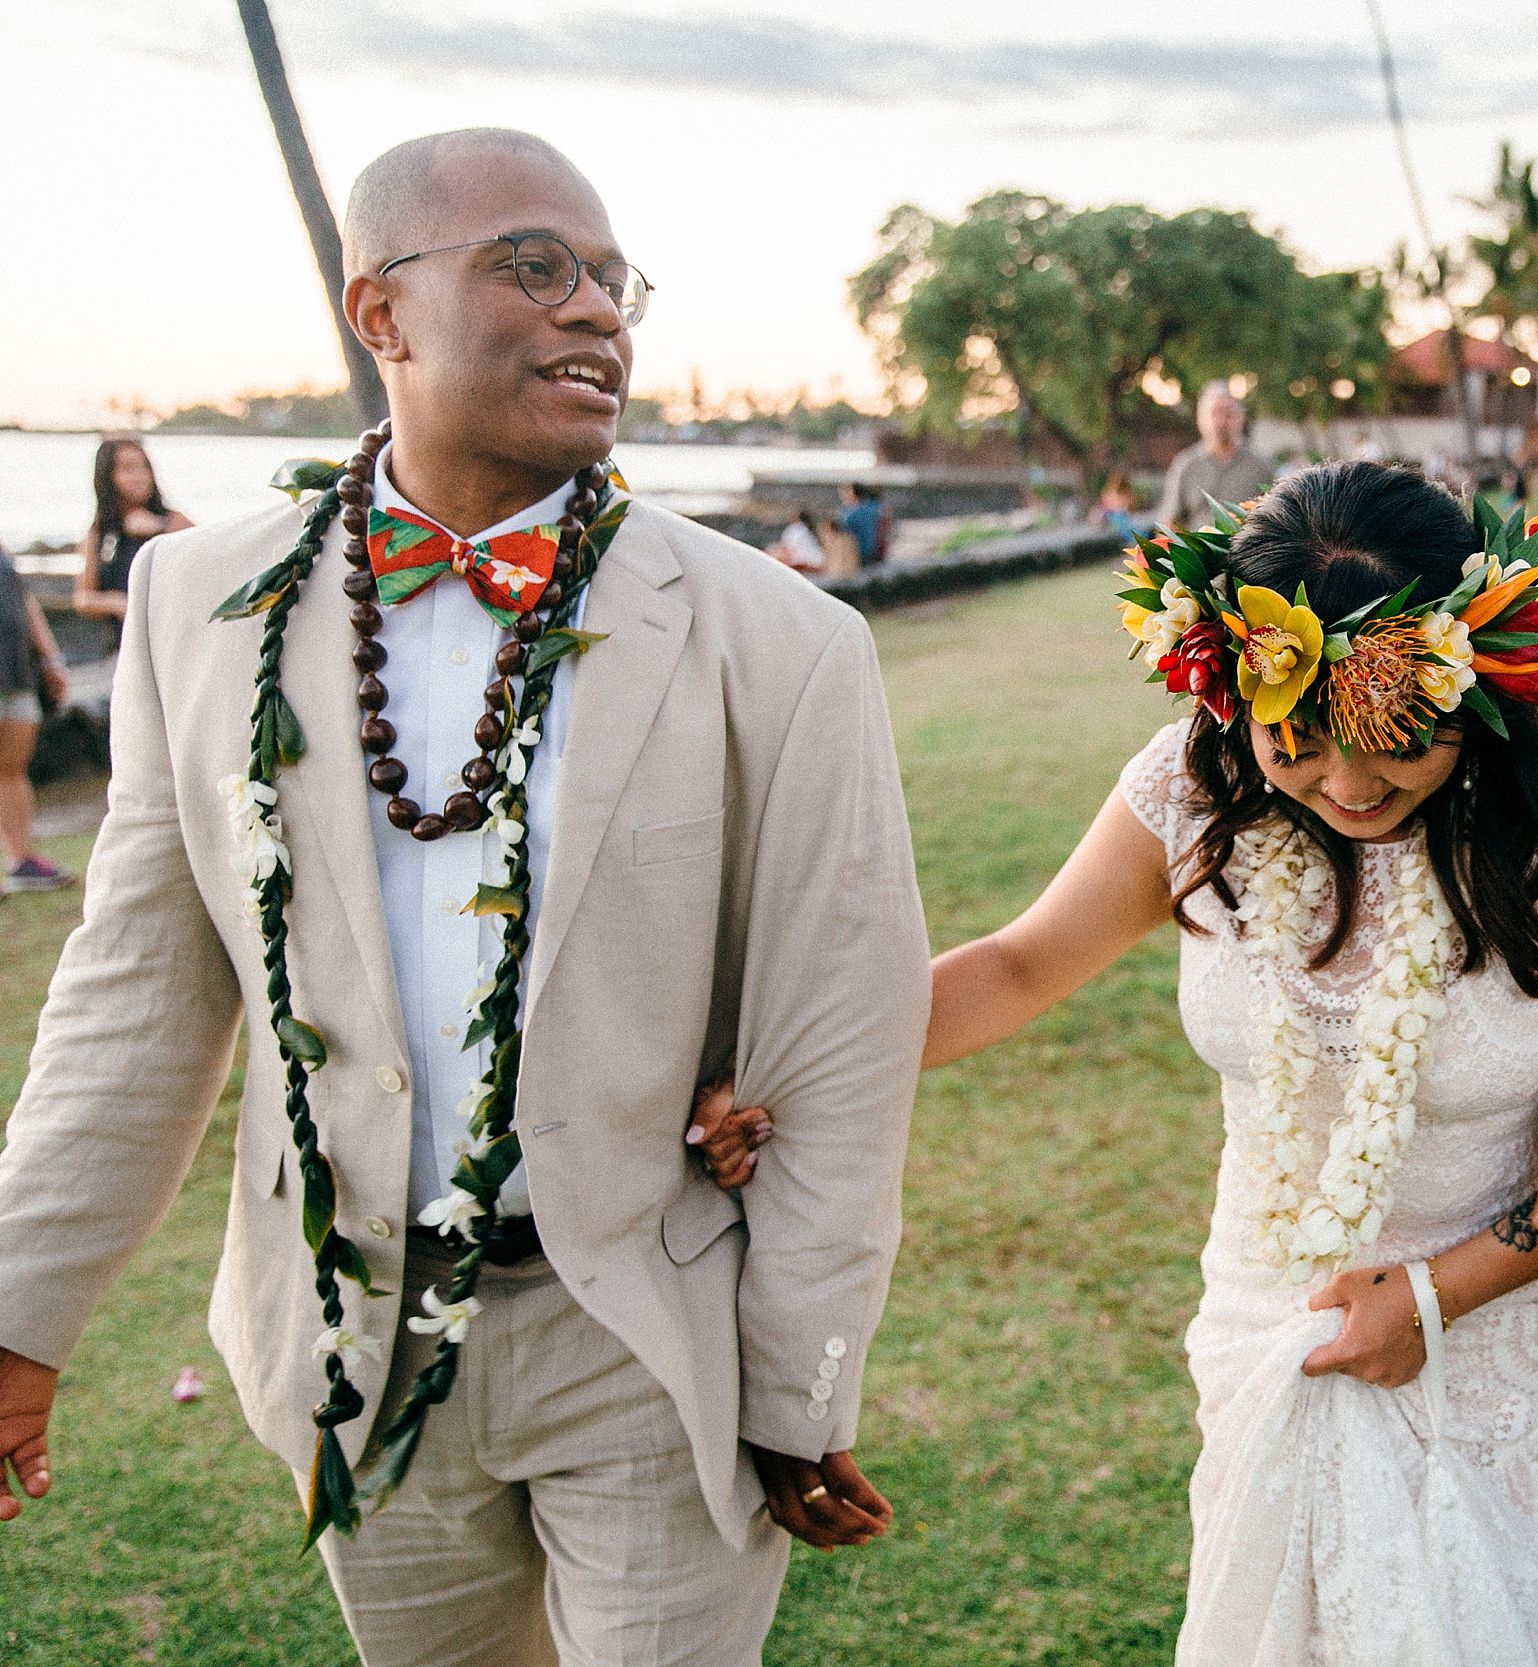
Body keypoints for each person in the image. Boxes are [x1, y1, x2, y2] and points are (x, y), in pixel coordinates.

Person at [0, 128, 930, 1667]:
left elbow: (841, 1031)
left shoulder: (786, 641)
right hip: (352, 1338)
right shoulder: (198, 604)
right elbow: (138, 998)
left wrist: (797, 1379)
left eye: (612, 279)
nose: (596, 312)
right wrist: (22, 1308)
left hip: (643, 1326)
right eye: (533, 265)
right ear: (384, 314)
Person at [697, 463, 1538, 1664]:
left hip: (1489, 1339)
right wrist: (781, 1068)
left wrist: (1440, 1295)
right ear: (1236, 690)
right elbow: (1022, 966)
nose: (1349, 784)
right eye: (1297, 738)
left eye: (1398, 740)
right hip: (1262, 1297)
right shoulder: (1192, 792)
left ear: (1472, 688)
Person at [0, 543, 74, 893]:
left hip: (15, 674)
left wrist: (50, 659)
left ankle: (22, 862)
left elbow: (25, 602)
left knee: (12, 771)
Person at [75, 436, 194, 632]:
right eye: (128, 469)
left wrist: (159, 526)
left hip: (169, 633)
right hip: (123, 642)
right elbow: (83, 598)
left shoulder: (173, 519)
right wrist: (117, 602)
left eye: (144, 467)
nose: (140, 476)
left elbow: (207, 543)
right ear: (108, 476)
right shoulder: (99, 531)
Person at [1153, 382, 1274, 527]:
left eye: (1228, 414)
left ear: (1241, 418)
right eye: (1215, 413)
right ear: (1200, 418)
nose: (1222, 422)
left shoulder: (1261, 466)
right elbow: (1170, 521)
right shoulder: (1186, 465)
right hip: (1199, 548)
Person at [840, 482, 887, 567]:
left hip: (858, 557)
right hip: (873, 555)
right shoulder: (872, 509)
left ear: (853, 494)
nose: (842, 496)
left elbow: (842, 533)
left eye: (845, 492)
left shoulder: (850, 514)